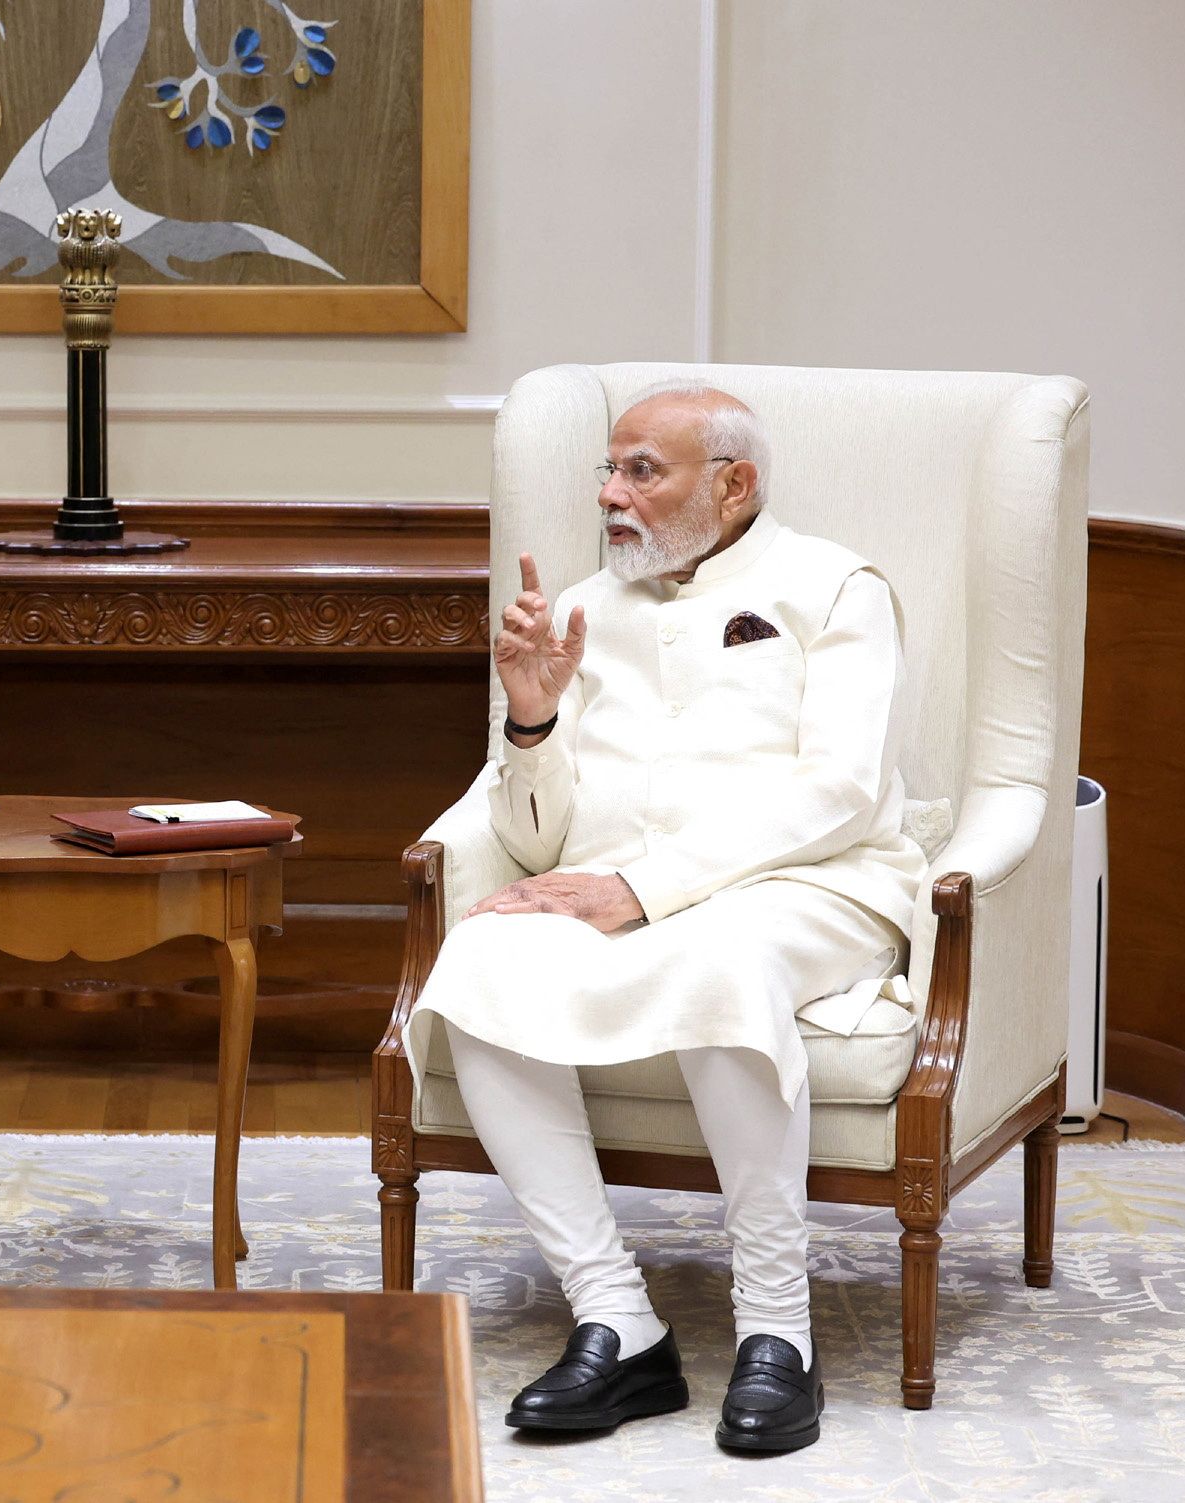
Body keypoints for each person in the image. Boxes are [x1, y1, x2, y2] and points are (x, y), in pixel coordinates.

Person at [405, 381, 922, 1454]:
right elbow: (542, 844)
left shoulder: (835, 588)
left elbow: (842, 794)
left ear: (733, 484)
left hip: (816, 884)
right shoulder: (586, 608)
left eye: (642, 471)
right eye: (607, 469)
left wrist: (644, 891)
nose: (609, 494)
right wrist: (534, 717)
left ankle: (778, 1331)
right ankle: (617, 1322)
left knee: (722, 956)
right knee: (482, 957)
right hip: (625, 887)